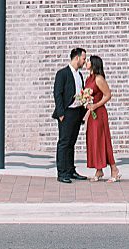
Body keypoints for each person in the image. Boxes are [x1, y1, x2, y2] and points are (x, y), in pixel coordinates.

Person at [52, 47, 90, 183]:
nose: (85, 61)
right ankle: (62, 173)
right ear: (77, 58)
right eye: (84, 58)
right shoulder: (62, 73)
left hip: (77, 112)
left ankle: (70, 170)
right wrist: (61, 114)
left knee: (71, 143)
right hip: (66, 114)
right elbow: (57, 94)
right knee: (64, 143)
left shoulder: (79, 75)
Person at [83, 54, 121, 182]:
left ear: (94, 64)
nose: (86, 62)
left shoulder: (99, 79)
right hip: (92, 114)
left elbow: (108, 95)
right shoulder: (89, 79)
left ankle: (114, 170)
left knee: (103, 140)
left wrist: (96, 105)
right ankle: (99, 170)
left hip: (100, 114)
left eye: (88, 61)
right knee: (94, 140)